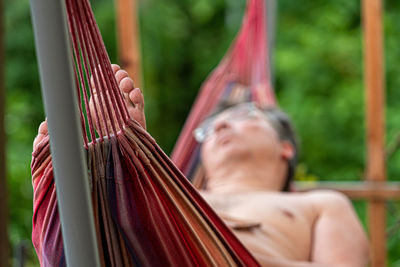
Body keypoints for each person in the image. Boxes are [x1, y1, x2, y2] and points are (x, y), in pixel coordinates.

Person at [33, 65, 369, 267]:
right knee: (130, 215)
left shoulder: (318, 204)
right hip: (157, 237)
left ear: (285, 147)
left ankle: (118, 167)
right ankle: (116, 169)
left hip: (187, 248)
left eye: (243, 117)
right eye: (208, 129)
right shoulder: (179, 193)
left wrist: (218, 248)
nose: (221, 127)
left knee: (145, 214)